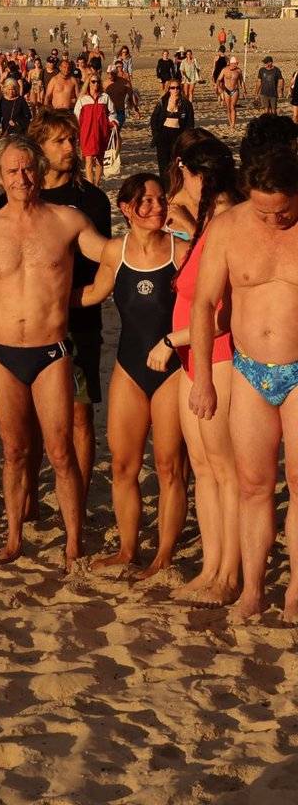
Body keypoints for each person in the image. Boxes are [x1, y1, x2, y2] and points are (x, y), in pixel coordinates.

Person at [0, 135, 106, 570]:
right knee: (15, 451)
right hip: (2, 353)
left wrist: (146, 245)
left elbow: (110, 255)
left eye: (28, 169)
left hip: (51, 352)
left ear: (39, 172)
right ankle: (14, 536)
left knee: (60, 452)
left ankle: (74, 541)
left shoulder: (67, 221)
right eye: (13, 171)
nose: (22, 178)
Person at [189, 148, 298, 621]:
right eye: (263, 210)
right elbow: (203, 303)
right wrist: (202, 379)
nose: (274, 219)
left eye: (284, 211)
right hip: (250, 369)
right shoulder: (229, 227)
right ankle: (252, 588)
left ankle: (295, 589)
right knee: (254, 485)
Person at [77, 174, 187, 575]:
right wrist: (35, 301)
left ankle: (163, 556)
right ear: (126, 209)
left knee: (170, 466)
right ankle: (127, 550)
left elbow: (204, 308)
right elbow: (91, 294)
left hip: (172, 369)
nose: (157, 208)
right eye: (146, 201)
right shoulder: (114, 251)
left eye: (160, 200)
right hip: (128, 367)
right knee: (123, 466)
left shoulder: (181, 251)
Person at [23, 109, 112, 503]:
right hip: (27, 323)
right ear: (38, 148)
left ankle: (77, 496)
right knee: (29, 420)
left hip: (79, 321)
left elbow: (103, 266)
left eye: (71, 140)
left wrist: (70, 299)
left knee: (79, 417)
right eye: (59, 140)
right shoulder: (24, 196)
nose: (70, 147)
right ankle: (28, 501)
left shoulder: (90, 199)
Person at [167, 138, 241, 604]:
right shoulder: (206, 222)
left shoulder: (228, 222)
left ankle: (229, 573)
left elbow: (223, 311)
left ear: (199, 176)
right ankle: (211, 565)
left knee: (225, 470)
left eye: (186, 176)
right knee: (202, 467)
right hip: (191, 356)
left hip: (218, 353)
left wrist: (171, 340)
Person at [74, 72, 116, 187]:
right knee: (88, 160)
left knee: (99, 159)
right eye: (93, 81)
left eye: (98, 81)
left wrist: (113, 122)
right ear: (88, 83)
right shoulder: (83, 99)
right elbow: (76, 116)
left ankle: (97, 184)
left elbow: (112, 113)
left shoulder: (105, 97)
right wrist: (77, 132)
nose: (96, 84)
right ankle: (90, 185)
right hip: (86, 132)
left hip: (102, 132)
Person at [150, 80, 195, 178]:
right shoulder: (162, 102)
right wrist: (156, 135)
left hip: (179, 135)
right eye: (173, 88)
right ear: (169, 89)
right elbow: (154, 119)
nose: (175, 90)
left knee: (178, 162)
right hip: (163, 134)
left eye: (178, 88)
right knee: (163, 163)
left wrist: (187, 138)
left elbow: (190, 123)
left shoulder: (186, 104)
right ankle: (165, 185)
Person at [216, 57, 244, 130]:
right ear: (231, 63)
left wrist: (244, 90)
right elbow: (218, 79)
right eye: (235, 63)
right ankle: (230, 122)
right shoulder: (224, 70)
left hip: (235, 90)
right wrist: (218, 87)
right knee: (228, 108)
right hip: (226, 90)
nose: (237, 65)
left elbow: (241, 81)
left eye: (237, 63)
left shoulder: (238, 71)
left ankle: (233, 124)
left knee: (233, 106)